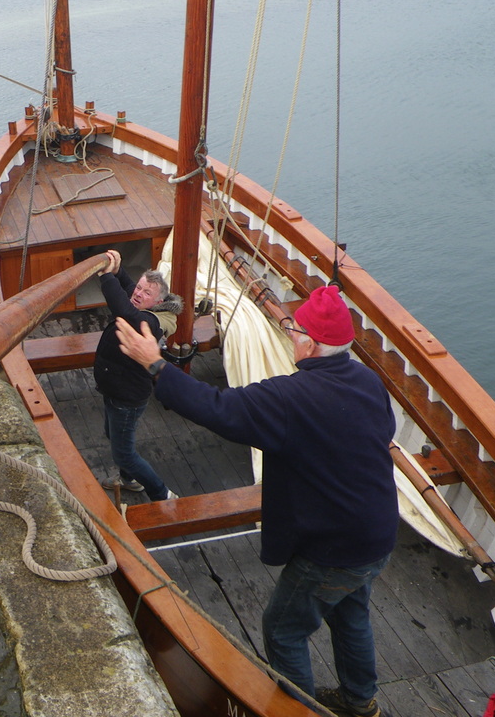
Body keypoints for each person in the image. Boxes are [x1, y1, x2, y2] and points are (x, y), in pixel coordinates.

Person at [116, 285, 397, 717]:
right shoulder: (368, 381)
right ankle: (361, 704)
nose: (291, 337)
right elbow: (378, 432)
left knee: (283, 630)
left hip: (334, 549)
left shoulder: (290, 398)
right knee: (350, 613)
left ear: (310, 344)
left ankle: (300, 713)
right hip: (377, 534)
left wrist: (155, 363)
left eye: (294, 331)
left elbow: (219, 408)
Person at [93, 250, 182, 502]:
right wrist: (118, 271)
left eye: (146, 293)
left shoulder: (151, 322)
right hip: (114, 389)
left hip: (127, 398)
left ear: (158, 302)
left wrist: (106, 277)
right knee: (113, 435)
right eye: (140, 287)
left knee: (124, 454)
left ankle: (162, 495)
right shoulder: (147, 303)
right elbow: (130, 289)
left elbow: (124, 312)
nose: (138, 294)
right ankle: (128, 480)